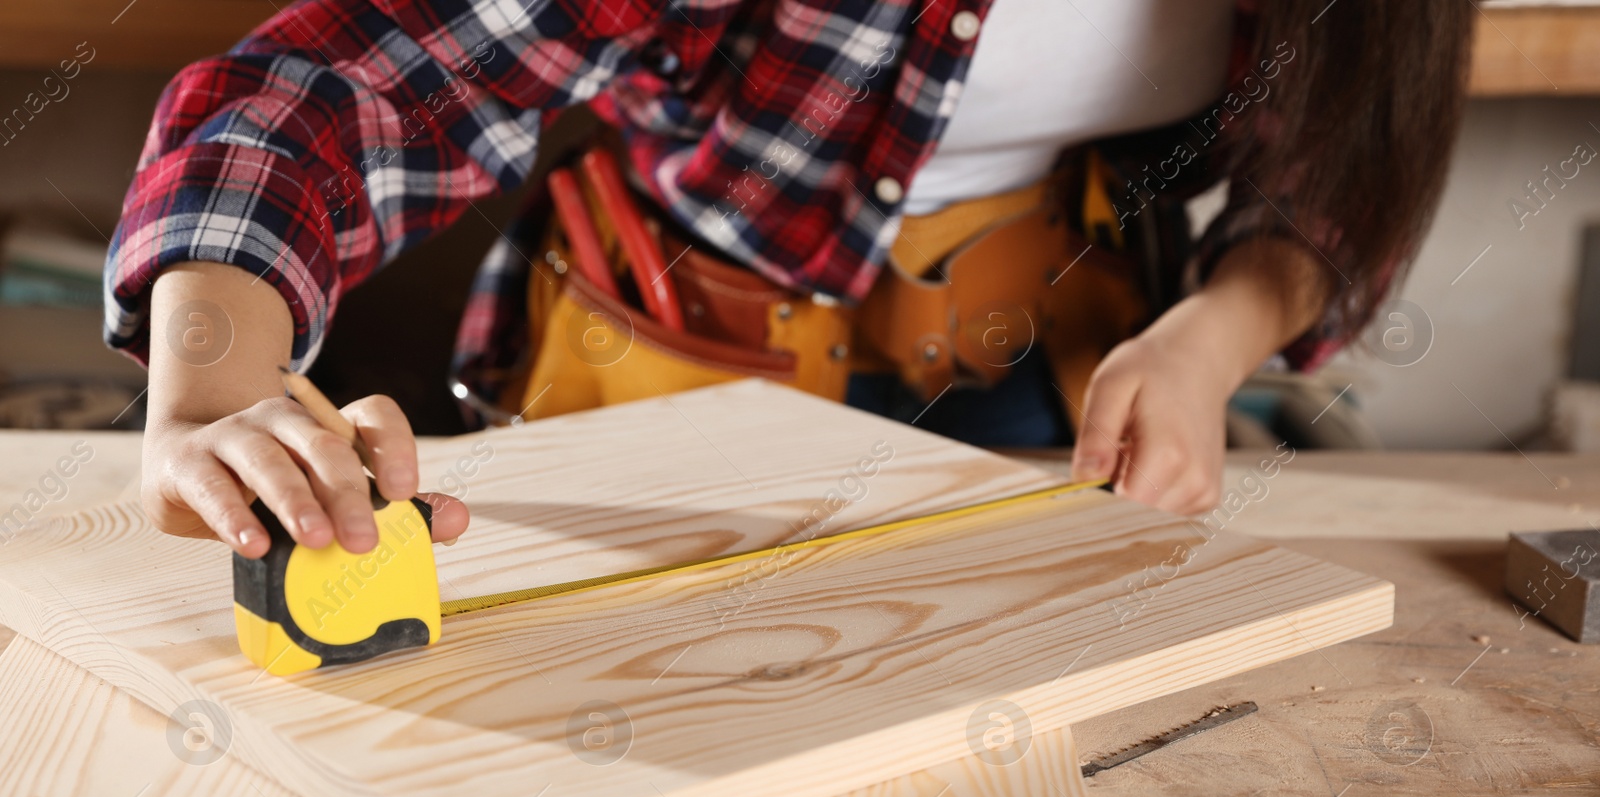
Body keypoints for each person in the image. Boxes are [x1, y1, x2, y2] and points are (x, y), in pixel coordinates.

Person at [108, 0, 1471, 559]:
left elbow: (1345, 180)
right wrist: (211, 391)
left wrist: (1208, 343)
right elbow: (322, 99)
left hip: (1049, 383)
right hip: (673, 377)